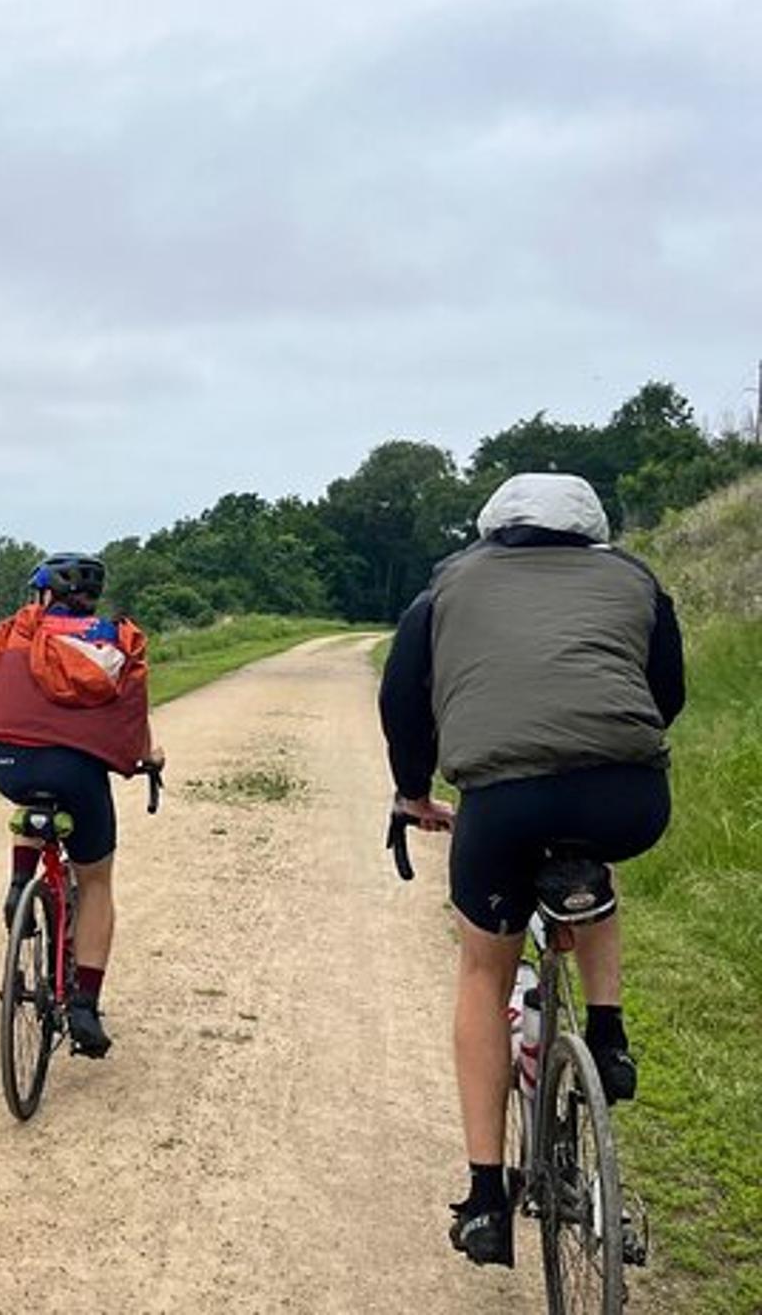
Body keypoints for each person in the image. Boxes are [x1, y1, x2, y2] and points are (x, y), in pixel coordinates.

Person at [377, 473, 685, 1268]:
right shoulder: (635, 577)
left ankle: (486, 1198)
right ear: (592, 530)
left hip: (503, 803)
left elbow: (402, 699)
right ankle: (609, 1037)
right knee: (593, 869)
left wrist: (413, 791)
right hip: (628, 797)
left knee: (484, 971)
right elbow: (667, 693)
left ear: (494, 529)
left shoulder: (448, 584)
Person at [0, 551, 162, 1059]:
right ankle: (84, 1009)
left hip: (9, 762)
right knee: (95, 881)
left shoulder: (14, 629)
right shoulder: (117, 639)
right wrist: (148, 756)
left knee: (33, 799)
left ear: (43, 593)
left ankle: (19, 882)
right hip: (77, 773)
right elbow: (132, 709)